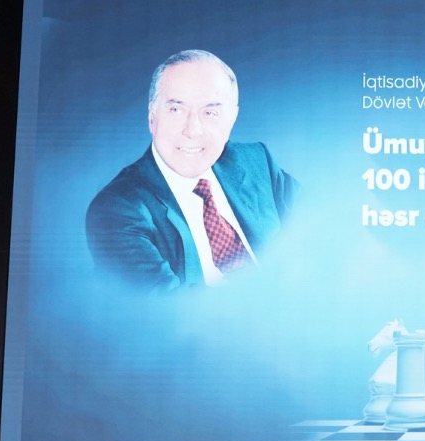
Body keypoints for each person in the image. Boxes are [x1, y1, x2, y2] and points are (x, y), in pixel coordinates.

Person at [86, 49, 298, 291]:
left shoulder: (256, 161)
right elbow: (167, 306)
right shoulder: (116, 209)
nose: (193, 130)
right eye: (176, 110)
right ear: (152, 117)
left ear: (231, 119)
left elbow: (321, 228)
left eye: (210, 113)